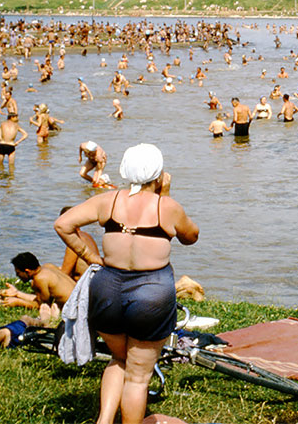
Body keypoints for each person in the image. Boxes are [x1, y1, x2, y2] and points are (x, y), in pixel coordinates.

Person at [54, 143, 199, 424]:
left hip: (107, 288)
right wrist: (165, 194)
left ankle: (104, 421)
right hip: (151, 291)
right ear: (159, 174)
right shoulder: (166, 207)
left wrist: (91, 256)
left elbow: (63, 224)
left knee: (119, 359)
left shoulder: (108, 200)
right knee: (137, 376)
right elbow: (190, 236)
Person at [0, 252, 76, 315]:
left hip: (76, 309)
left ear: (27, 271)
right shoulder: (48, 266)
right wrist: (17, 293)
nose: (17, 276)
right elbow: (41, 299)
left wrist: (18, 302)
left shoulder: (39, 279)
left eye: (18, 273)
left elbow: (43, 305)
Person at [58, 206, 101, 281]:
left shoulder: (75, 240)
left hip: (85, 285)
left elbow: (65, 274)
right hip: (95, 281)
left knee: (47, 270)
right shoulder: (87, 236)